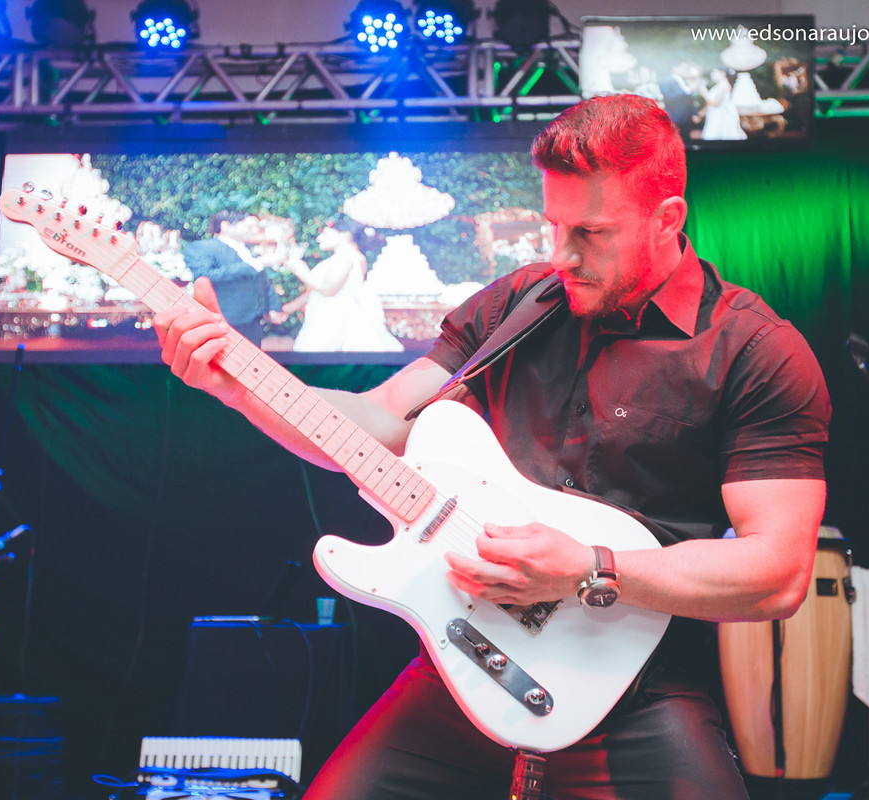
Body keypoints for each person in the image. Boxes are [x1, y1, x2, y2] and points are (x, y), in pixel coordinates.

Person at [152, 93, 829, 799]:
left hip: (637, 696)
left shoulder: (755, 350)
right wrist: (235, 382)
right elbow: (380, 418)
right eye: (553, 225)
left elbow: (776, 570)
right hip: (461, 675)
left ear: (667, 220)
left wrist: (586, 568)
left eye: (591, 232)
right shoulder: (517, 304)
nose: (561, 255)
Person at [287, 219, 402, 353]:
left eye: (325, 234)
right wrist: (288, 309)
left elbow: (329, 289)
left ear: (345, 235)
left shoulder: (345, 258)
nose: (319, 238)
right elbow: (315, 292)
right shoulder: (354, 257)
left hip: (331, 318)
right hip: (328, 313)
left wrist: (301, 271)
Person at [182, 210, 286, 345]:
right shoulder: (203, 247)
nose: (253, 231)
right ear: (226, 225)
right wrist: (251, 265)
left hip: (254, 323)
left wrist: (273, 307)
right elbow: (204, 276)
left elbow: (262, 281)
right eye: (247, 226)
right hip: (226, 321)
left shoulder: (248, 249)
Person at [701, 68, 747, 142]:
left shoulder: (723, 84)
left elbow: (716, 103)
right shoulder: (720, 85)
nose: (712, 75)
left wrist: (704, 92)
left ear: (722, 73)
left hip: (720, 116)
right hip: (715, 115)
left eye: (714, 72)